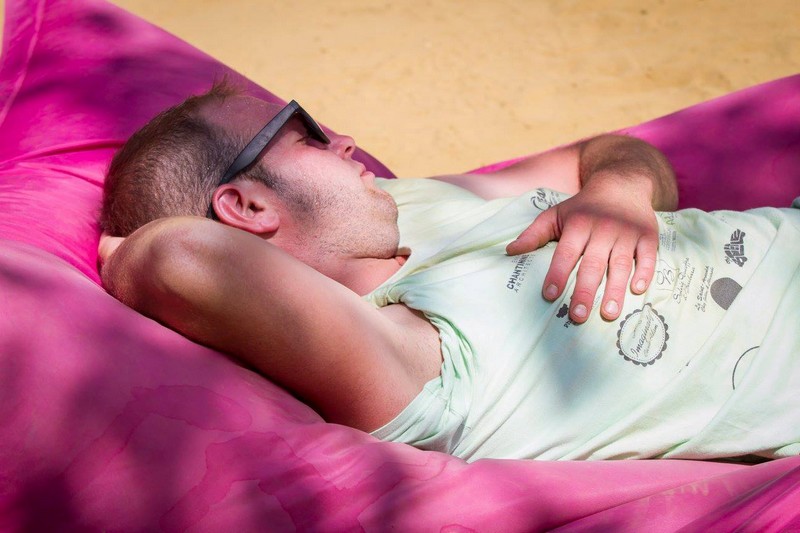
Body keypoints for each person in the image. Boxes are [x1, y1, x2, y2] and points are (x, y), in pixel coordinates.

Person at [99, 84, 800, 461]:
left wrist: (618, 192)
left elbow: (608, 151)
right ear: (247, 206)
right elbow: (178, 257)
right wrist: (118, 252)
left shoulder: (408, 207)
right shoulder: (400, 359)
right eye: (306, 134)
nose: (345, 141)